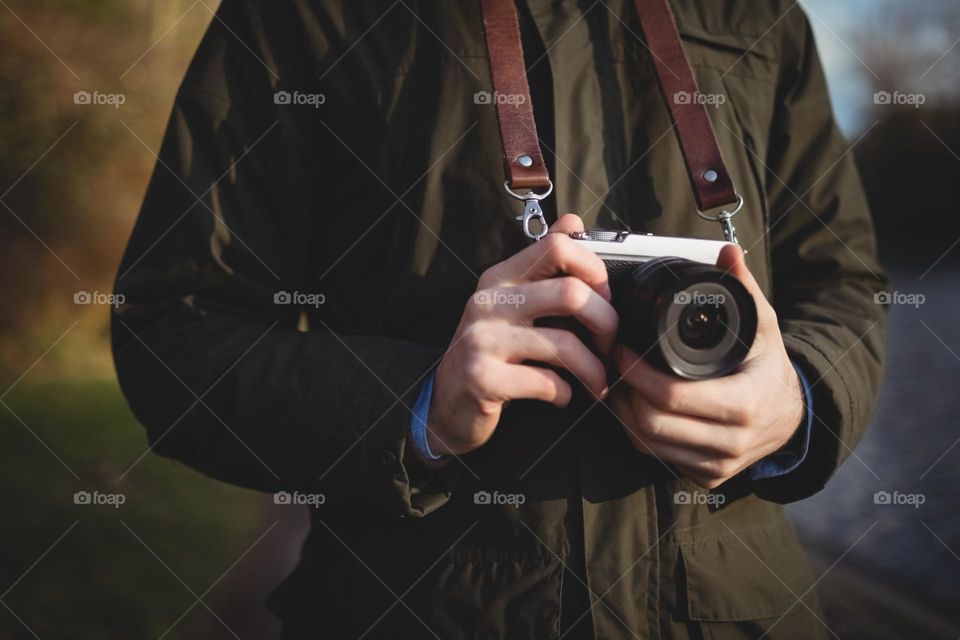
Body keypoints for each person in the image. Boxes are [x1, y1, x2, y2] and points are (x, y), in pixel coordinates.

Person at [112, 1, 887, 638]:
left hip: (743, 611)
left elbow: (844, 284)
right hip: (408, 611)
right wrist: (419, 405)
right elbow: (173, 330)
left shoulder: (761, 13)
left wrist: (798, 403)